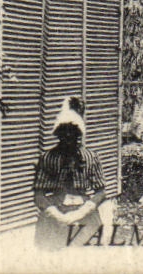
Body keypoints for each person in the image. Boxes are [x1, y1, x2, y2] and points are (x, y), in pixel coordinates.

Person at [33, 96, 106, 249]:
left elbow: (101, 192)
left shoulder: (91, 157)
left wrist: (79, 213)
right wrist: (56, 215)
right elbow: (39, 194)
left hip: (84, 214)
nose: (68, 136)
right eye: (63, 131)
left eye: (72, 131)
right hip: (55, 214)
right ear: (57, 133)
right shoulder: (48, 158)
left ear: (79, 133)